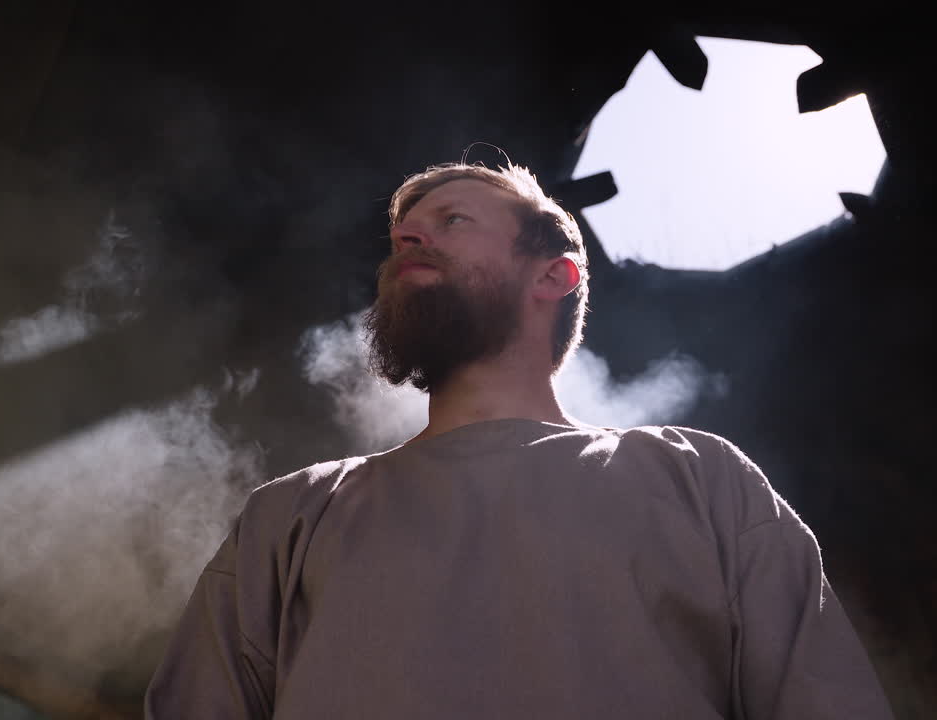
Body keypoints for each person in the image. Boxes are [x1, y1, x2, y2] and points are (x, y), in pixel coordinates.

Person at [144, 162, 895, 719]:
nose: (407, 234)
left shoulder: (699, 478)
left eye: (453, 222)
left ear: (555, 277)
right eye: (406, 229)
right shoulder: (289, 516)